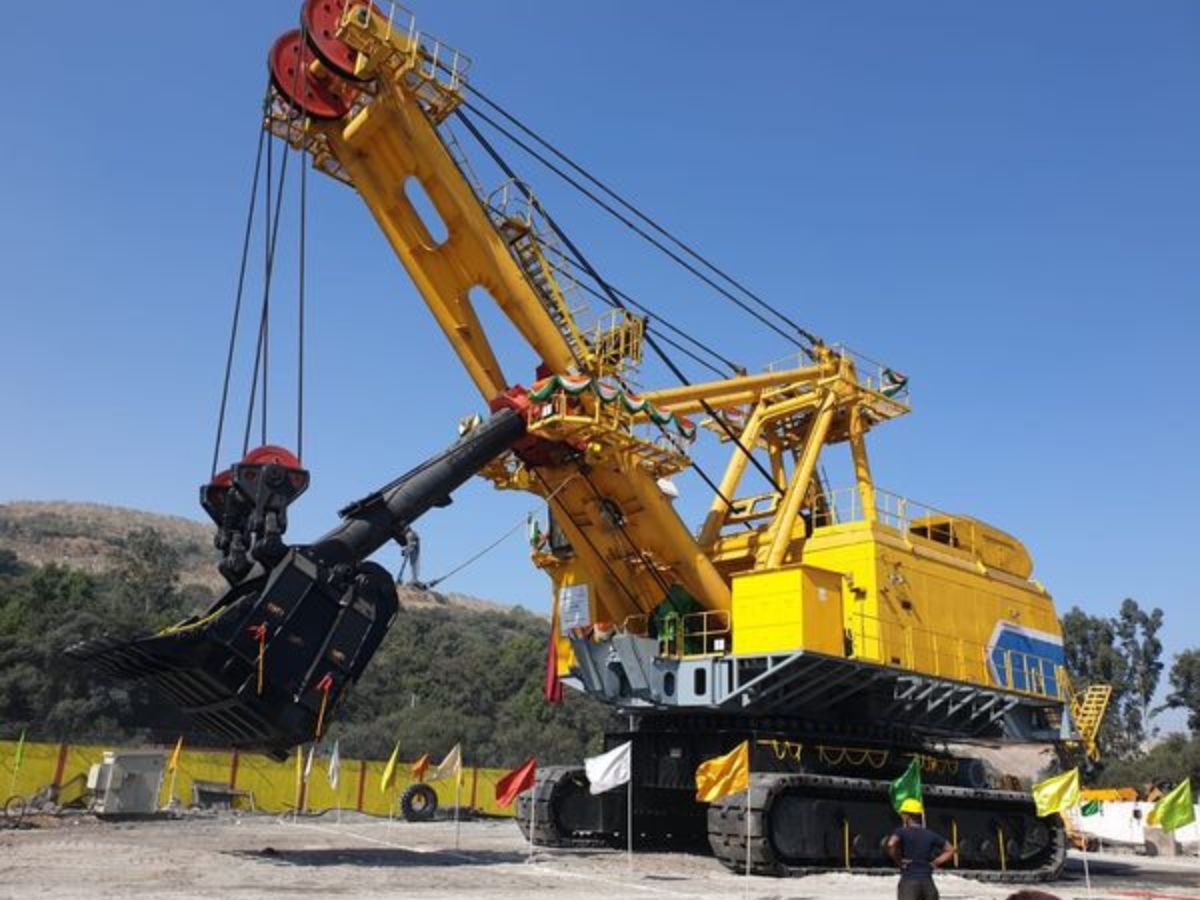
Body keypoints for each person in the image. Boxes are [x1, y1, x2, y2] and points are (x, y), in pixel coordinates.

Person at [887, 798, 956, 900]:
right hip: (928, 883)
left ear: (907, 815)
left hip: (909, 882)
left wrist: (899, 861)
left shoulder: (901, 831)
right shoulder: (930, 834)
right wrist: (935, 863)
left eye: (902, 814)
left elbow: (891, 844)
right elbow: (951, 849)